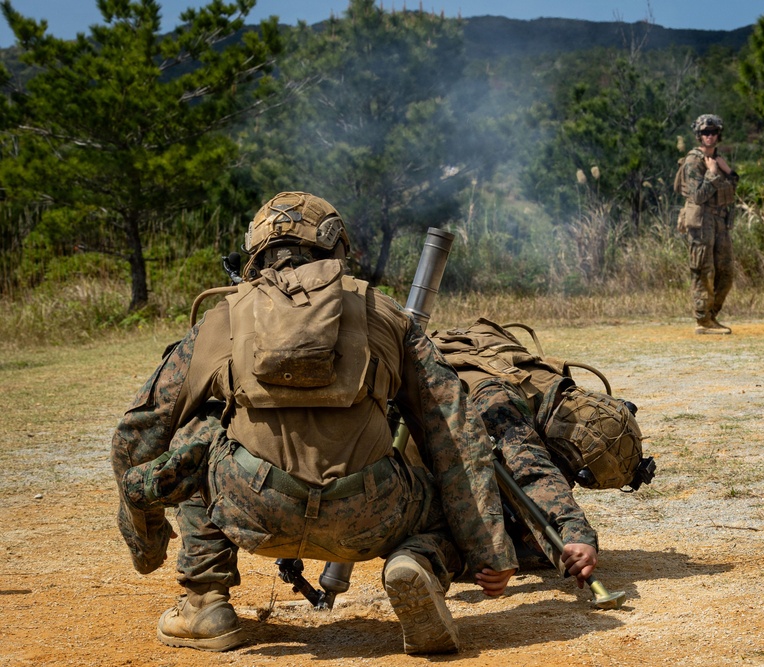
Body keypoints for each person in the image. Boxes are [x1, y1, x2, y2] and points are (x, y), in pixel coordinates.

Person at [110, 192, 517, 655]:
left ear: (257, 253)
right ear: (337, 248)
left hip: (251, 507)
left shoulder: (220, 319)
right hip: (371, 512)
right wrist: (489, 552)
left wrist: (144, 541)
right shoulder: (387, 315)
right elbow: (456, 434)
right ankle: (416, 562)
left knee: (196, 437)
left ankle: (205, 603)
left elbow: (138, 433)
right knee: (446, 508)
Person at [426, 319, 650, 589]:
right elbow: (531, 469)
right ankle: (418, 556)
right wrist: (576, 533)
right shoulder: (500, 402)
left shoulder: (550, 387)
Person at [676, 113, 739, 335]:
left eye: (713, 133)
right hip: (701, 221)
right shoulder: (694, 161)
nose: (709, 136)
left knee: (726, 271)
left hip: (719, 221)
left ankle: (712, 317)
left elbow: (732, 188)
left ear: (718, 134)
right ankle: (703, 321)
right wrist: (712, 174)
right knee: (703, 270)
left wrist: (727, 170)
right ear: (698, 135)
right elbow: (698, 196)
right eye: (705, 133)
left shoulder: (717, 159)